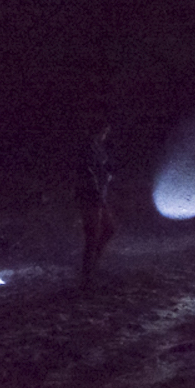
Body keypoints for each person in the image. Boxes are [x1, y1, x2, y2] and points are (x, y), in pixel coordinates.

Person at [75, 123, 117, 287]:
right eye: (104, 130)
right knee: (93, 235)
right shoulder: (88, 147)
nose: (106, 133)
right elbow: (87, 171)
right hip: (91, 195)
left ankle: (92, 267)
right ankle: (87, 275)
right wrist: (96, 188)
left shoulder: (97, 147)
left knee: (108, 229)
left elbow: (102, 168)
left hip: (99, 194)